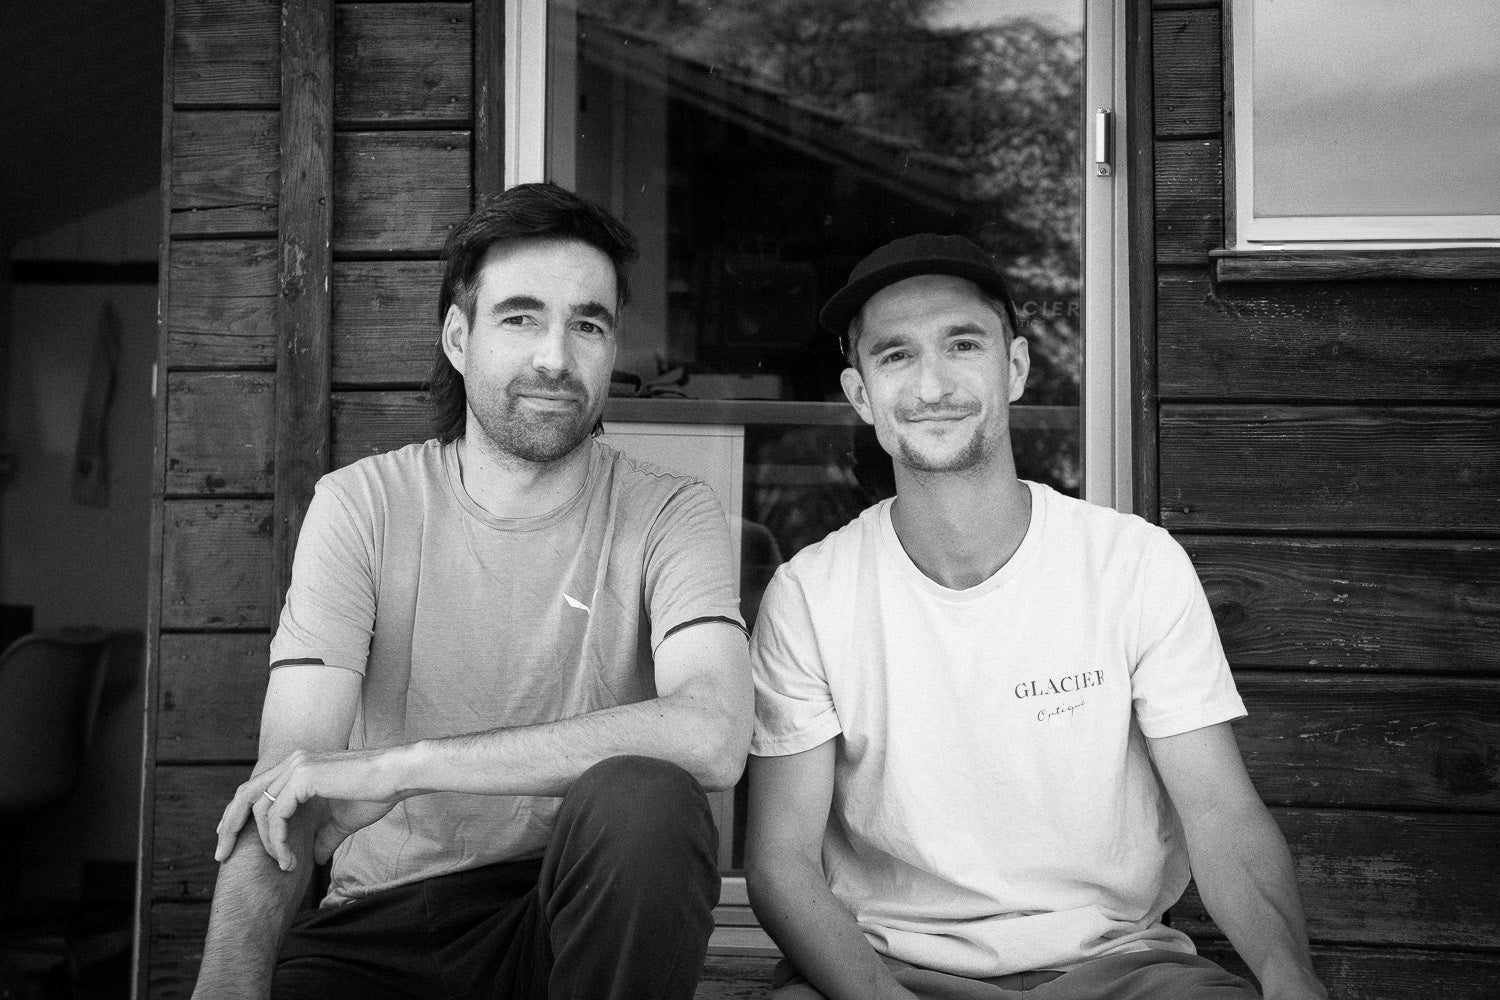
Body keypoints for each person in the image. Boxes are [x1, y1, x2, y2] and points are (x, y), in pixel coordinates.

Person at [192, 183, 753, 1000]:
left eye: (588, 325)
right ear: (459, 338)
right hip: (380, 926)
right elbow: (287, 787)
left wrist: (407, 767)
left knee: (648, 800)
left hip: (564, 922)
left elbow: (714, 733)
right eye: (521, 318)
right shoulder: (363, 507)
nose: (555, 358)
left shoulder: (670, 511)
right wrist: (227, 984)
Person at [744, 234, 1328, 1000]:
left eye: (962, 344)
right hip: (890, 972)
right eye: (896, 355)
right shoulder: (811, 595)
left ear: (1015, 367)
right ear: (861, 395)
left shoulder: (1132, 565)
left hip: (1119, 970)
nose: (931, 384)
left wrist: (1290, 978)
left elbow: (1219, 813)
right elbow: (781, 860)